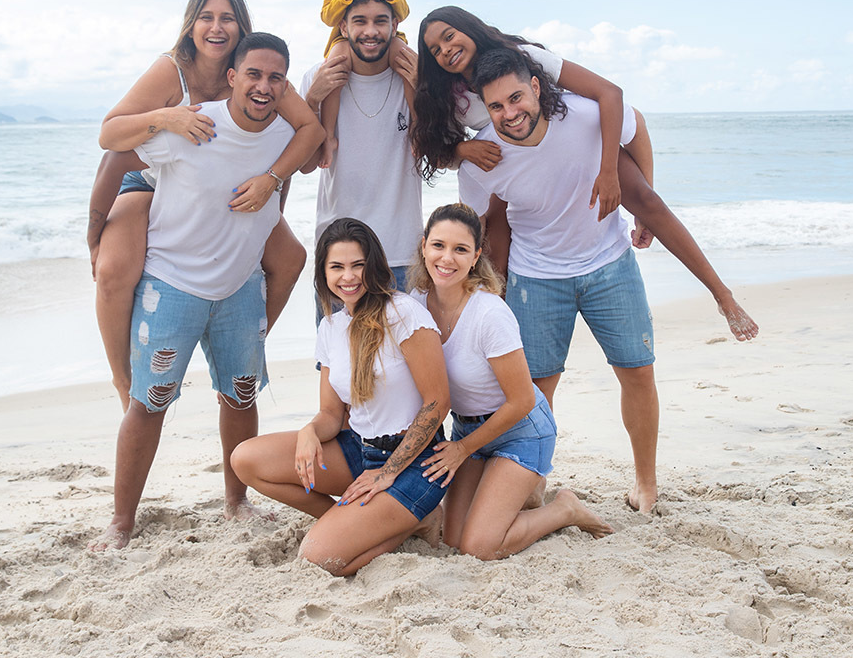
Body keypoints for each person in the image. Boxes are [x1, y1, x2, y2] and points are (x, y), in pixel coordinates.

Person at [90, 34, 317, 550]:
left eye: (275, 78)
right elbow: (116, 157)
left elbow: (314, 130)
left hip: (239, 289)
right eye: (253, 75)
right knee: (149, 405)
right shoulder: (196, 124)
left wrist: (272, 179)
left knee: (239, 396)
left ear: (284, 87)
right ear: (232, 76)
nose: (263, 86)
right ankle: (122, 521)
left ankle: (237, 503)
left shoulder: (284, 130)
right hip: (172, 286)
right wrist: (96, 225)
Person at [412, 6, 758, 342]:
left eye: (449, 36)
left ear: (468, 28)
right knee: (494, 240)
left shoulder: (523, 56)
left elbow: (612, 97)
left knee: (647, 200)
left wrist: (608, 172)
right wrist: (462, 149)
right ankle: (492, 328)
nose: (446, 50)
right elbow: (433, 148)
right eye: (435, 50)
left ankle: (721, 294)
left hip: (572, 142)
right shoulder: (450, 97)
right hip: (515, 169)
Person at [87, 0, 324, 411]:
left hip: (227, 192)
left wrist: (271, 186)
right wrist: (164, 117)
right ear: (191, 24)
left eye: (227, 18)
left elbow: (308, 132)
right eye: (207, 17)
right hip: (152, 183)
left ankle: (235, 346)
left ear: (241, 28)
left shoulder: (262, 75)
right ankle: (124, 380)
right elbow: (110, 137)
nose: (217, 27)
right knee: (113, 270)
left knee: (291, 258)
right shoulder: (172, 69)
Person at [457, 48, 661, 512]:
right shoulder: (483, 156)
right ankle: (532, 484)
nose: (510, 113)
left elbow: (637, 125)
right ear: (484, 111)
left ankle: (645, 483)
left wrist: (644, 202)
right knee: (533, 392)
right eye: (496, 107)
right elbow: (488, 222)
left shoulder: (584, 116)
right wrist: (492, 288)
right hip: (536, 277)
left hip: (609, 263)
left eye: (516, 98)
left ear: (535, 86)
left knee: (637, 373)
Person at [231, 218, 450, 576]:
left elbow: (438, 402)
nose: (348, 277)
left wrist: (388, 473)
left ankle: (413, 520)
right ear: (324, 273)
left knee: (318, 557)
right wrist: (308, 432)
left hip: (415, 462)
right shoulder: (331, 327)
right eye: (337, 267)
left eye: (357, 266)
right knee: (245, 459)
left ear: (374, 266)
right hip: (359, 452)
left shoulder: (403, 313)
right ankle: (349, 519)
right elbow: (332, 414)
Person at [409, 203, 614, 558]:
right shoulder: (415, 305)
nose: (447, 258)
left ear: (475, 257)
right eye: (439, 245)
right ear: (424, 246)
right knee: (454, 539)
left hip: (520, 429)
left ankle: (564, 509)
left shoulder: (490, 314)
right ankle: (517, 493)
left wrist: (461, 450)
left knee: (481, 546)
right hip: (467, 430)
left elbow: (520, 402)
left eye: (460, 249)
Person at [299, 0, 422, 295]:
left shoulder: (413, 78)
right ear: (343, 27)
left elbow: (436, 155)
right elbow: (305, 165)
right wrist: (313, 98)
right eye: (360, 21)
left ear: (395, 26)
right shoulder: (319, 77)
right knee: (338, 345)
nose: (370, 31)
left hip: (401, 255)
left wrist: (425, 93)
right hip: (338, 256)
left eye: (380, 21)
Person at [317, 0, 415, 170]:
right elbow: (327, 17)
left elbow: (403, 12)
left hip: (389, 36)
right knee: (334, 69)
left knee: (410, 63)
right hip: (344, 37)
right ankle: (327, 134)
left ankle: (417, 125)